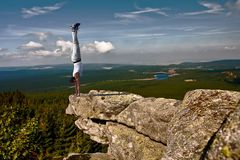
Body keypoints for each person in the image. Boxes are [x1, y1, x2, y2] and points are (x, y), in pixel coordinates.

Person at [69, 23, 82, 96]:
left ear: (73, 79)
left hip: (76, 58)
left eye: (74, 82)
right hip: (75, 59)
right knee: (76, 44)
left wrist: (78, 93)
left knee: (75, 44)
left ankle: (73, 30)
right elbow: (76, 85)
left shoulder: (76, 74)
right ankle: (75, 30)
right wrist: (76, 93)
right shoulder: (74, 75)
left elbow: (78, 85)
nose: (75, 83)